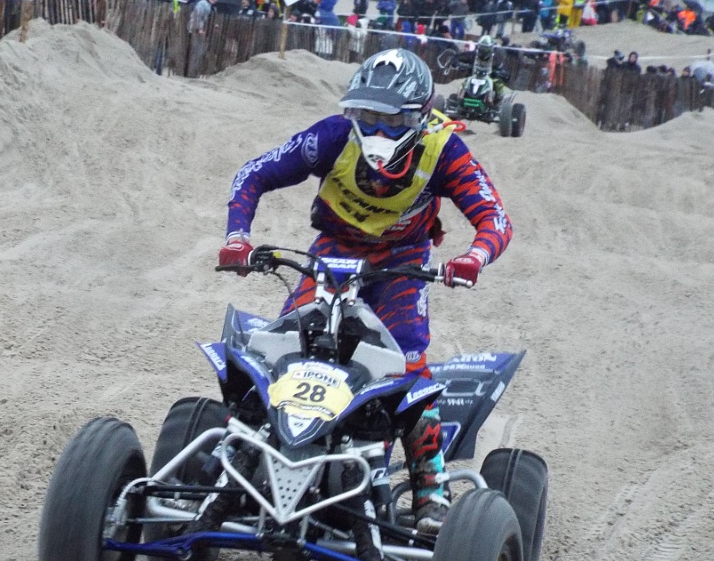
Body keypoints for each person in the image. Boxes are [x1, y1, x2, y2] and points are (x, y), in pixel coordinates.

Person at [217, 49, 513, 535]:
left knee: (409, 370)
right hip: (332, 252)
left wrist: (473, 257)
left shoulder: (444, 149)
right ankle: (240, 458)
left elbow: (494, 219)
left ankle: (429, 490)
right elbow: (254, 173)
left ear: (418, 116)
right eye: (364, 115)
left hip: (403, 265)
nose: (374, 128)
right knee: (278, 348)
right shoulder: (332, 136)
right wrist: (237, 238)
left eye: (387, 119)